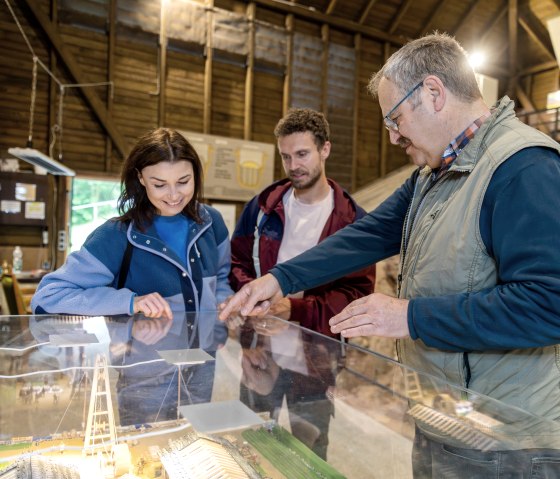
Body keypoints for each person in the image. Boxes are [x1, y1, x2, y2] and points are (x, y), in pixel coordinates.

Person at [220, 33, 560, 478]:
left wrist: (410, 316)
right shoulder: (432, 171)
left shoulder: (523, 168)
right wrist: (279, 278)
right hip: (445, 416)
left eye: (395, 118)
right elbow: (370, 233)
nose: (394, 135)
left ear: (434, 93)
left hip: (504, 439)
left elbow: (548, 305)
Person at [31, 128, 232, 415]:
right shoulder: (115, 235)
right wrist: (130, 302)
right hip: (145, 376)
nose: (174, 195)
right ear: (140, 179)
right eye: (160, 184)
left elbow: (222, 277)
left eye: (184, 182)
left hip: (203, 368)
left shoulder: (212, 222)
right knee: (143, 455)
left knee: (193, 449)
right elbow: (47, 297)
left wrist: (221, 320)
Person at [229, 108, 375, 459]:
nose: (293, 165)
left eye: (303, 154)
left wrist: (293, 307)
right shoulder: (264, 207)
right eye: (285, 156)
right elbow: (236, 263)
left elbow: (355, 295)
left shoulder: (353, 221)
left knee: (308, 454)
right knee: (250, 444)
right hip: (259, 351)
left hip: (315, 362)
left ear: (325, 149)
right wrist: (254, 303)